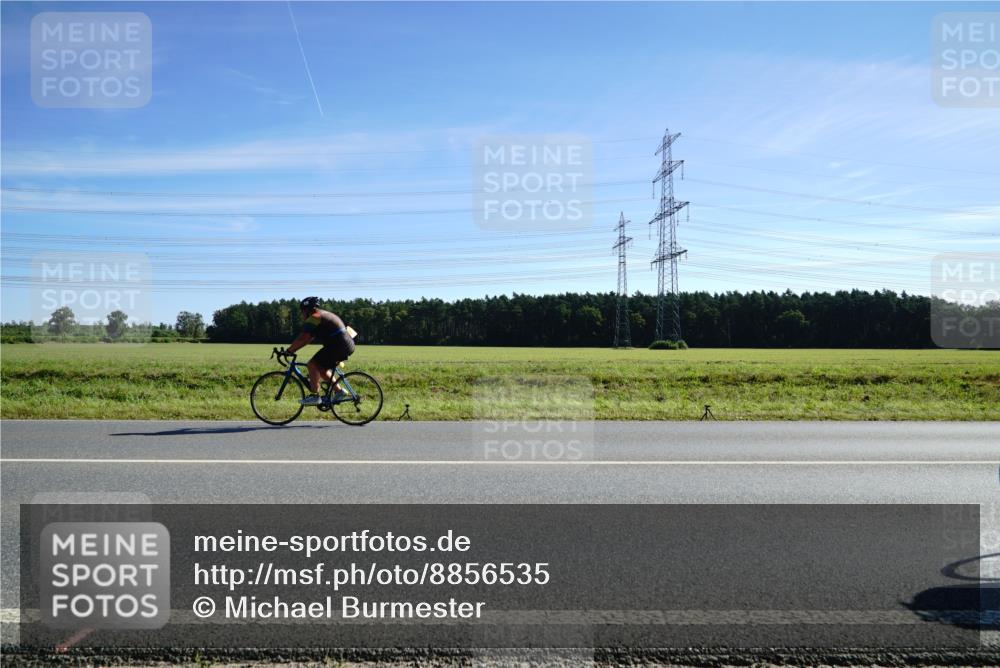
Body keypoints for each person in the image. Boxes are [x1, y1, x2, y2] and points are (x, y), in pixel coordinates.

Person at [284, 297, 355, 405]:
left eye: (302, 312)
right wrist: (292, 350)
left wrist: (289, 351)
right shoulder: (321, 315)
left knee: (312, 364)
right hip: (343, 344)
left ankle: (315, 396)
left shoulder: (315, 317)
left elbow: (303, 337)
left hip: (338, 345)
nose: (301, 315)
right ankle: (339, 392)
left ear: (306, 310)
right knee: (321, 368)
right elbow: (308, 339)